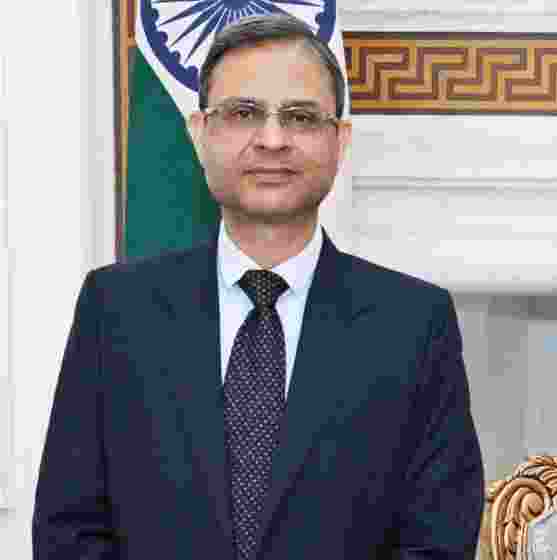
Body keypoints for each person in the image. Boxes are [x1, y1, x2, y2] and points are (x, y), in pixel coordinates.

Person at [33, 14, 483, 560]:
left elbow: (436, 540)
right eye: (244, 113)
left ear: (339, 140)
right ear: (200, 133)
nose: (273, 139)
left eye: (299, 117)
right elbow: (70, 531)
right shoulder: (117, 311)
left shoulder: (414, 325)